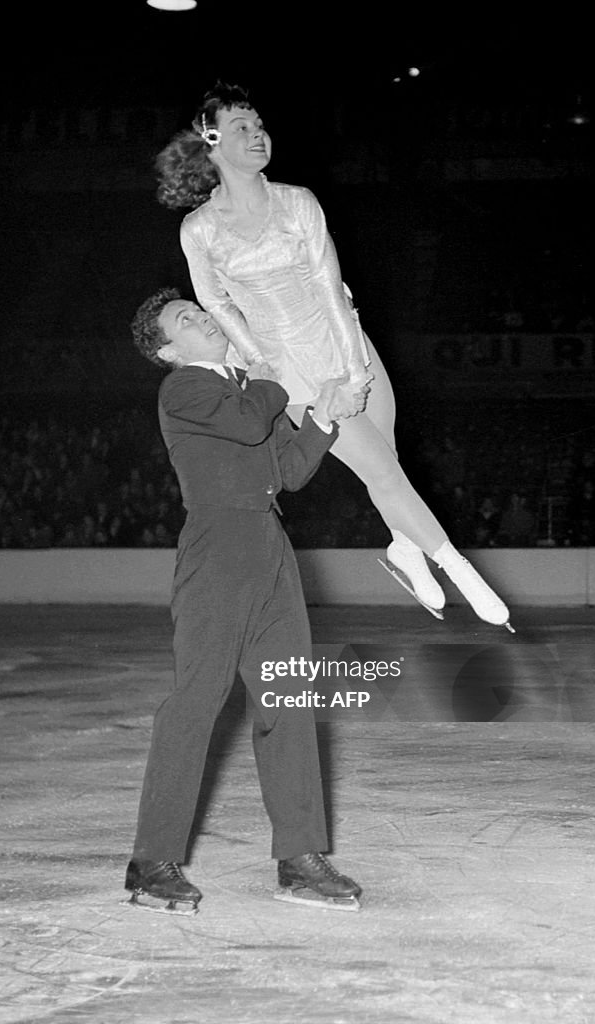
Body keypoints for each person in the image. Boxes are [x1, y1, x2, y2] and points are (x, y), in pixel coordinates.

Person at [155, 81, 512, 630]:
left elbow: (329, 286)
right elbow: (216, 302)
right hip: (291, 370)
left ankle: (403, 546)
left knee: (386, 464)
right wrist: (262, 362)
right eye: (241, 128)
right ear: (211, 142)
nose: (258, 135)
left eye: (259, 125)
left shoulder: (298, 202)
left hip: (344, 340)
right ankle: (461, 570)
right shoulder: (199, 229)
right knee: (386, 476)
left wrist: (352, 370)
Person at [124, 287, 363, 914]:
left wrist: (327, 416)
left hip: (270, 545)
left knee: (289, 697)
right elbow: (250, 420)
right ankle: (152, 862)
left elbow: (286, 470)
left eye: (196, 308)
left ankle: (300, 859)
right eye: (185, 318)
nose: (201, 315)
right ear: (169, 349)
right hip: (217, 547)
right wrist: (270, 374)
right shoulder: (186, 390)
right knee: (197, 701)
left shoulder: (244, 389)